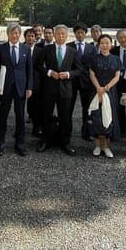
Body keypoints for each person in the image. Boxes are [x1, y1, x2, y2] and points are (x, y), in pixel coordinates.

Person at [35, 24, 83, 155]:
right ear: (54, 35)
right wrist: (50, 72)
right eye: (58, 34)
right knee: (46, 114)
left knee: (65, 116)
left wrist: (68, 74)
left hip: (66, 89)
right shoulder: (47, 49)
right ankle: (45, 140)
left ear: (67, 36)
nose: (60, 36)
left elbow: (79, 70)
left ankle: (65, 142)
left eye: (63, 34)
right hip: (49, 88)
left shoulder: (72, 51)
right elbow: (38, 65)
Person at [0, 23, 33, 157]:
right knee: (2, 116)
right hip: (5, 87)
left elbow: (29, 70)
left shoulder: (25, 49)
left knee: (20, 116)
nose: (15, 35)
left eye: (17, 33)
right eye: (12, 33)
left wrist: (29, 87)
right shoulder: (1, 48)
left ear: (19, 34)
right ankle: (1, 144)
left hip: (21, 87)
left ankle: (20, 144)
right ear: (8, 34)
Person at [88, 34, 121, 157]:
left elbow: (117, 76)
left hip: (110, 92)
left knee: (109, 118)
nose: (105, 45)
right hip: (96, 91)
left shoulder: (116, 59)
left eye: (107, 43)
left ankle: (107, 147)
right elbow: (92, 74)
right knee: (97, 117)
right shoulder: (94, 59)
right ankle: (97, 146)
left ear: (111, 44)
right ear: (99, 44)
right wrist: (99, 88)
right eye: (102, 43)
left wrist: (106, 88)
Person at [69, 23, 96, 142]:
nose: (80, 34)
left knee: (87, 108)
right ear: (74, 33)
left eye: (82, 32)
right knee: (69, 107)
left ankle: (86, 132)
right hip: (72, 81)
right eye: (78, 32)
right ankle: (67, 131)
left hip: (87, 81)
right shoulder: (69, 46)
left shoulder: (91, 48)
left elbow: (93, 65)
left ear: (85, 34)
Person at [110, 30, 126, 138]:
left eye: (125, 37)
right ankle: (121, 130)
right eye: (120, 38)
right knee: (119, 107)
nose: (123, 40)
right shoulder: (113, 51)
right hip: (117, 83)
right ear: (117, 39)